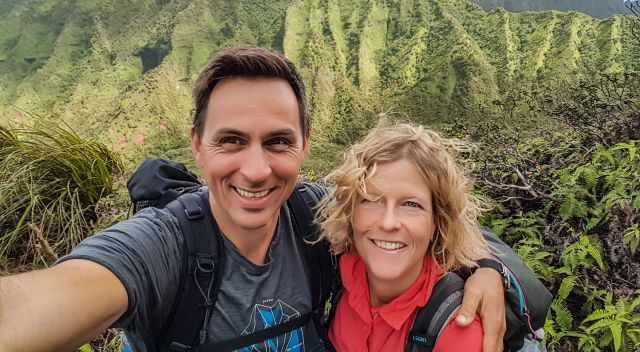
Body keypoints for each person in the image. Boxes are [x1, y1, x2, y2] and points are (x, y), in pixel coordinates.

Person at [0, 47, 507, 352]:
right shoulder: (165, 246)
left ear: (305, 144)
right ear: (196, 145)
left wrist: (486, 269)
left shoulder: (315, 214)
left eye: (278, 142)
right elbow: (33, 304)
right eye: (231, 140)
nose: (257, 169)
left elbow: (424, 222)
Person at [317, 123, 489, 351]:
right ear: (350, 212)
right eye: (371, 200)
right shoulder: (340, 274)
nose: (388, 223)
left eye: (411, 204)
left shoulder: (457, 331)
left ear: (437, 222)